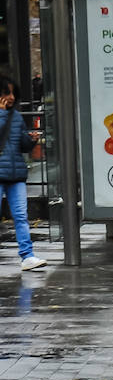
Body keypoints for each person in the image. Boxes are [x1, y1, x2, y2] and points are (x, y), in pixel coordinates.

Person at [0, 77, 45, 271]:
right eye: (6, 93)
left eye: (13, 93)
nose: (10, 97)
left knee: (20, 215)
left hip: (15, 173)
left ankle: (27, 256)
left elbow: (22, 146)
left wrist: (31, 140)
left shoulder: (16, 117)